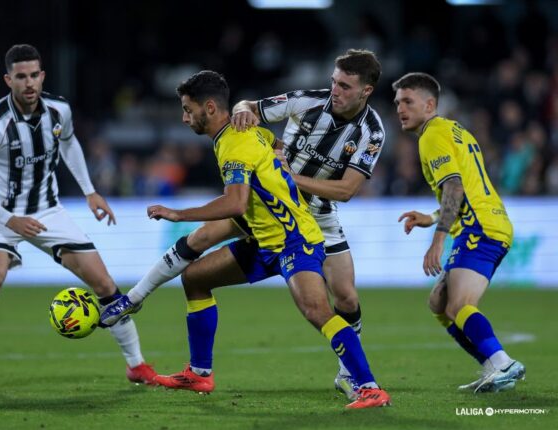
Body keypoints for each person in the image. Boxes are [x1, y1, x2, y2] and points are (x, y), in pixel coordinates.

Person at [101, 49, 385, 400]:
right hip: (266, 221)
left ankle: (366, 385)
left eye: (344, 86)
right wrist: (243, 112)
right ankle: (197, 371)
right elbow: (251, 113)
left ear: (365, 91)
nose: (335, 90)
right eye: (333, 82)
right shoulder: (279, 117)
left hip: (298, 229)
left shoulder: (370, 131)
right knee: (195, 276)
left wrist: (179, 213)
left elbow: (241, 201)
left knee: (330, 303)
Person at [0, 44, 156, 392]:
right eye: (21, 77)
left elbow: (70, 143)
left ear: (42, 76)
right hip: (2, 212)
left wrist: (90, 191)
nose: (29, 83)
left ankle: (137, 365)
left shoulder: (59, 110)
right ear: (8, 80)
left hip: (48, 210)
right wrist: (9, 220)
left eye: (34, 75)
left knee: (104, 283)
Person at [393, 72, 525, 393]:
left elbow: (454, 187)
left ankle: (502, 362)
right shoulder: (454, 129)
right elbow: (465, 187)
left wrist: (438, 240)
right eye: (397, 103)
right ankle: (492, 367)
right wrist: (431, 217)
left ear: (430, 105)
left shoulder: (431, 136)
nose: (400, 109)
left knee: (458, 305)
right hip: (487, 222)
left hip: (479, 228)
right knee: (439, 303)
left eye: (408, 101)